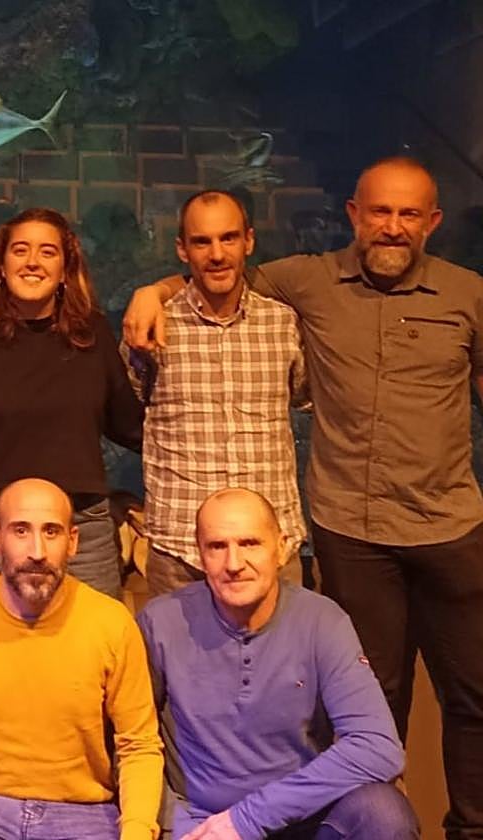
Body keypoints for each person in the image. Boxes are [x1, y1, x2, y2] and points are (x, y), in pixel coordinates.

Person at [123, 156, 483, 839]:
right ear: (354, 215)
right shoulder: (298, 286)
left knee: (465, 695)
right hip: (321, 533)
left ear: (432, 222)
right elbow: (207, 284)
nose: (392, 226)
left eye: (409, 214)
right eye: (379, 211)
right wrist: (151, 289)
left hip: (432, 527)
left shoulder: (460, 294)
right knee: (356, 699)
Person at [138, 488, 417, 840]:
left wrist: (246, 820)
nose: (234, 563)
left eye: (250, 543)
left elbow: (378, 746)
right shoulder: (161, 622)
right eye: (217, 546)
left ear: (281, 548)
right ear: (200, 554)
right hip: (202, 825)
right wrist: (178, 825)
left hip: (300, 819)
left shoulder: (322, 621)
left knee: (383, 813)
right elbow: (128, 746)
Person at [0, 477, 162, 840]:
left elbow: (138, 744)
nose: (37, 551)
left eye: (51, 531)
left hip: (82, 814)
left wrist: (137, 829)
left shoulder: (111, 622)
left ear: (73, 541)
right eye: (21, 531)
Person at [0, 207, 143, 599]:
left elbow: (129, 424)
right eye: (20, 250)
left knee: (96, 633)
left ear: (66, 269)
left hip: (81, 522)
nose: (32, 262)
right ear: (1, 266)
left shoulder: (93, 337)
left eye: (47, 252)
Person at [121, 190, 306, 596]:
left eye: (229, 238)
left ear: (249, 241)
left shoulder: (283, 324)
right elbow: (128, 405)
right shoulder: (153, 325)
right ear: (182, 249)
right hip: (182, 550)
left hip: (271, 547)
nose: (217, 254)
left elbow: (304, 396)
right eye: (202, 242)